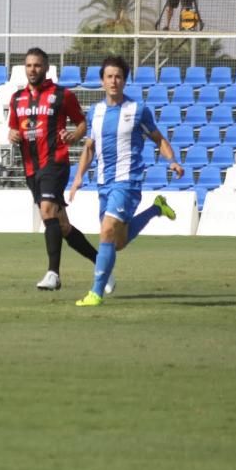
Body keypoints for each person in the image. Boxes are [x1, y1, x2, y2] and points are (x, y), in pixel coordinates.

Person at [67, 55, 184, 307]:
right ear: (102, 81)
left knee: (106, 231)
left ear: (124, 80)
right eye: (109, 76)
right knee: (116, 243)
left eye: (118, 76)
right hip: (103, 183)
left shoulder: (137, 110)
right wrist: (77, 179)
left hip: (127, 181)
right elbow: (89, 147)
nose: (114, 81)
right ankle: (156, 208)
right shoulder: (96, 112)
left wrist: (172, 160)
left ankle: (96, 293)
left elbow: (159, 139)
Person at [7, 47, 110, 293]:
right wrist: (11, 134)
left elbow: (82, 123)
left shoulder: (62, 95)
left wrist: (74, 134)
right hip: (31, 168)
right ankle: (103, 268)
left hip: (55, 163)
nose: (33, 70)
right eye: (29, 65)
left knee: (46, 211)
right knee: (62, 225)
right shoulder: (17, 98)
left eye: (38, 65)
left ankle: (54, 274)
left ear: (46, 67)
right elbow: (14, 129)